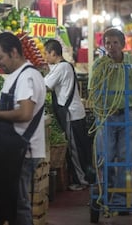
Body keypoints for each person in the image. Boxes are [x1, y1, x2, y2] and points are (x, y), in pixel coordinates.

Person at [0, 32, 46, 225]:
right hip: (14, 150)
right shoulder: (16, 76)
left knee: (19, 205)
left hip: (22, 151)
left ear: (13, 52)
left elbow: (24, 113)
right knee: (11, 204)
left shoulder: (27, 76)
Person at [89, 27, 132, 206]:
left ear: (122, 44)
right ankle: (107, 191)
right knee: (105, 156)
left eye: (115, 43)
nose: (111, 46)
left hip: (128, 114)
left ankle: (121, 198)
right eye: (108, 43)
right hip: (106, 116)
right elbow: (93, 90)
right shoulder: (99, 65)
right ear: (104, 45)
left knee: (125, 157)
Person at [43, 38, 93, 190]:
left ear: (53, 52)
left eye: (46, 53)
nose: (45, 56)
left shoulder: (62, 67)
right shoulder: (65, 66)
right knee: (80, 147)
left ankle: (82, 180)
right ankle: (85, 177)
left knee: (75, 149)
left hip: (71, 114)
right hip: (75, 113)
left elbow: (44, 86)